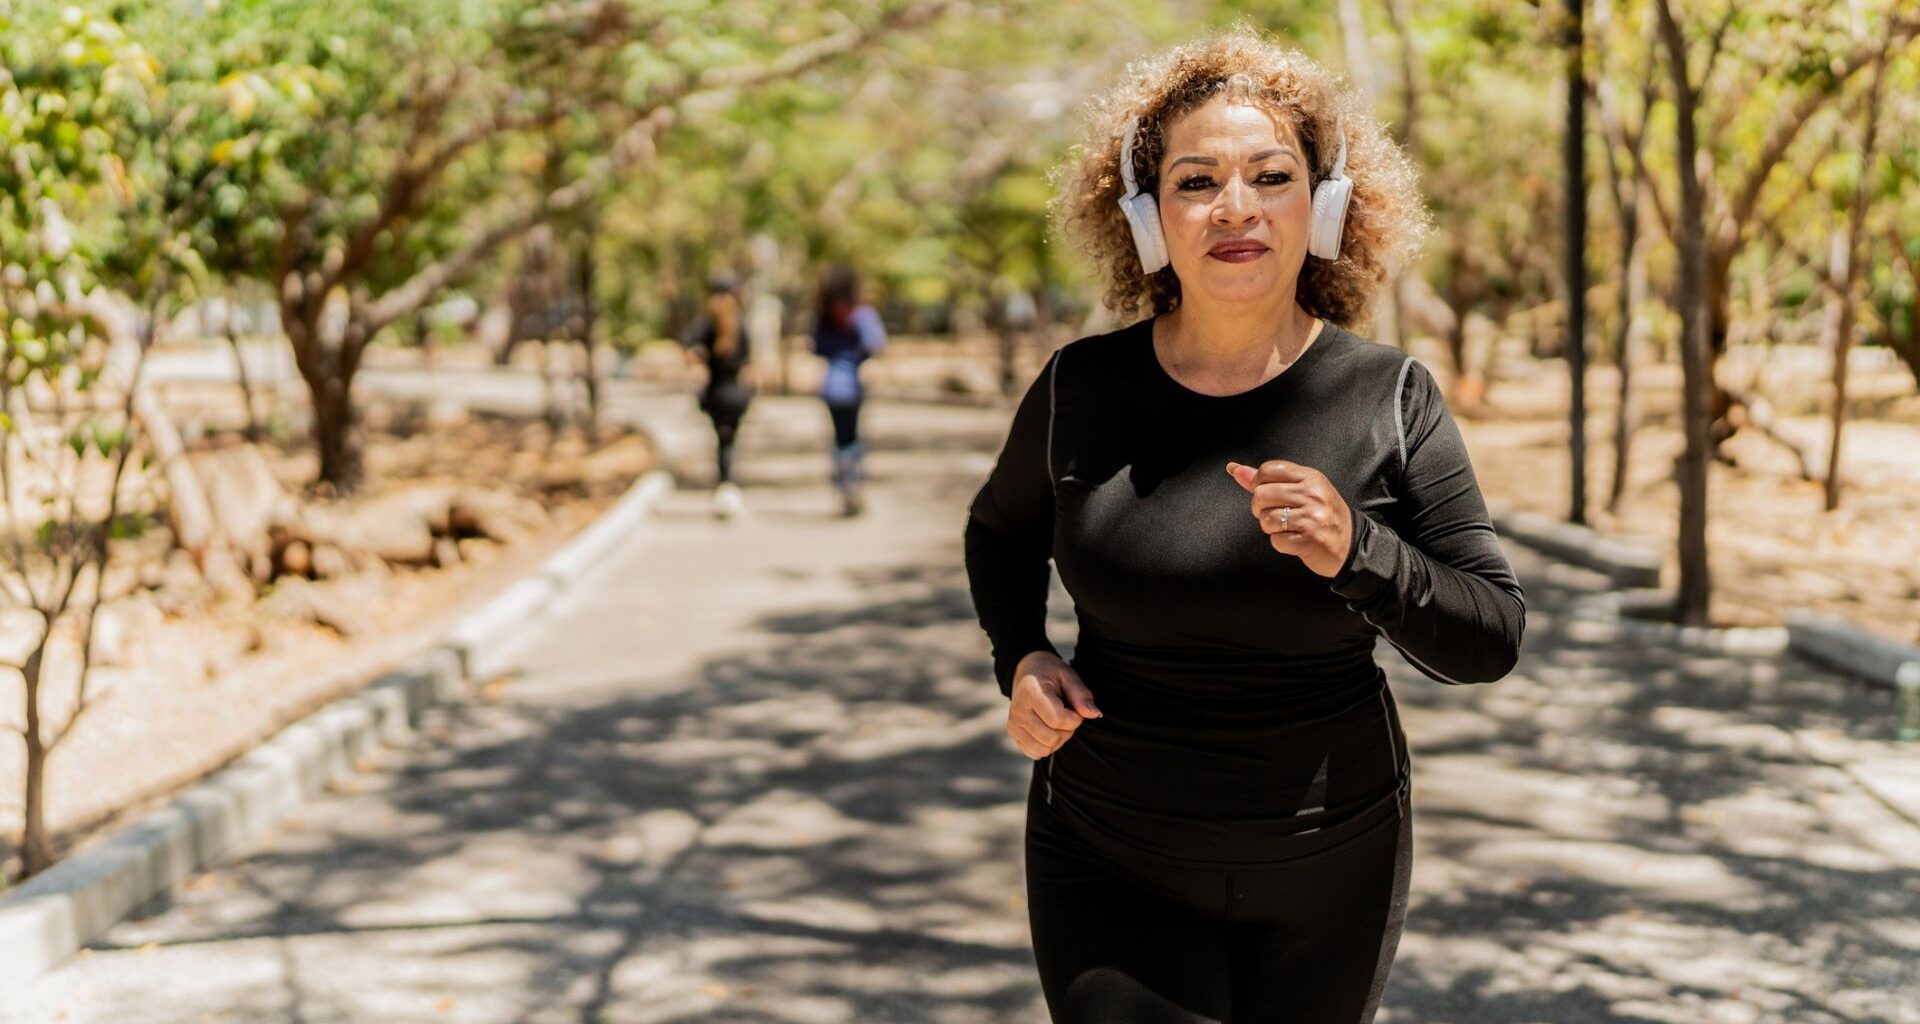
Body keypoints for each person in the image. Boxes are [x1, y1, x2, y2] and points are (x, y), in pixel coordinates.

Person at [964, 30, 1525, 1024]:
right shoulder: (1078, 388)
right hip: (1108, 852)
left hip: (1331, 868)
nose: (1236, 206)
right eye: (1195, 181)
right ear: (1145, 218)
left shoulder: (1390, 396)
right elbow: (1000, 532)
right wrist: (1023, 656)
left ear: (1325, 204)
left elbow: (1488, 636)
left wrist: (1362, 550)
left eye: (1272, 175)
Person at [810, 265, 887, 515]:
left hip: (831, 387)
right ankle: (852, 486)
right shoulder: (862, 315)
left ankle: (845, 488)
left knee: (842, 439)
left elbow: (816, 347)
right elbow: (876, 343)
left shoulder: (825, 317)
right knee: (852, 438)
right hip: (852, 387)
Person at [683, 272, 754, 519]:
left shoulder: (707, 323)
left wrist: (699, 364)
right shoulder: (739, 323)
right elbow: (749, 362)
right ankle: (727, 484)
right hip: (735, 392)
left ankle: (725, 485)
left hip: (717, 393)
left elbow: (688, 348)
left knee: (722, 440)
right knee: (728, 440)